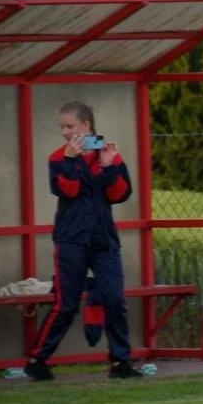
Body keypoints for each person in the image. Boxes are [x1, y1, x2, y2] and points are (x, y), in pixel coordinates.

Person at [21, 101, 140, 381]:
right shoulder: (58, 158)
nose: (65, 132)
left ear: (86, 126)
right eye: (62, 127)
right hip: (70, 240)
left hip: (104, 240)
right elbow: (68, 190)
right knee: (66, 304)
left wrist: (110, 167)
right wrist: (72, 159)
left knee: (115, 299)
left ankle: (120, 363)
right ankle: (37, 360)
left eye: (70, 126)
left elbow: (119, 194)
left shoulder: (108, 154)